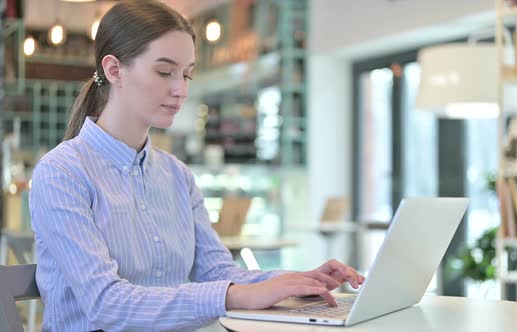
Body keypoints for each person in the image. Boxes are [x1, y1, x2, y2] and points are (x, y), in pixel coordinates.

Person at [28, 1, 365, 331]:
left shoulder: (176, 174)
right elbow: (106, 303)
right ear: (115, 69)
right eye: (165, 72)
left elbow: (218, 272)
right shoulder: (62, 172)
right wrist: (235, 297)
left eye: (187, 74)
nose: (181, 90)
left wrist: (298, 281)